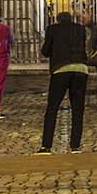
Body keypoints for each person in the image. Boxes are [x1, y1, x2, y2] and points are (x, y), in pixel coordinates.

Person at [36, 9, 89, 154]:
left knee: (52, 108)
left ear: (58, 20)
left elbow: (45, 51)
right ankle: (75, 146)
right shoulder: (80, 29)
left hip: (61, 69)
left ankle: (46, 146)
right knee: (78, 110)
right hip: (81, 69)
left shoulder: (52, 29)